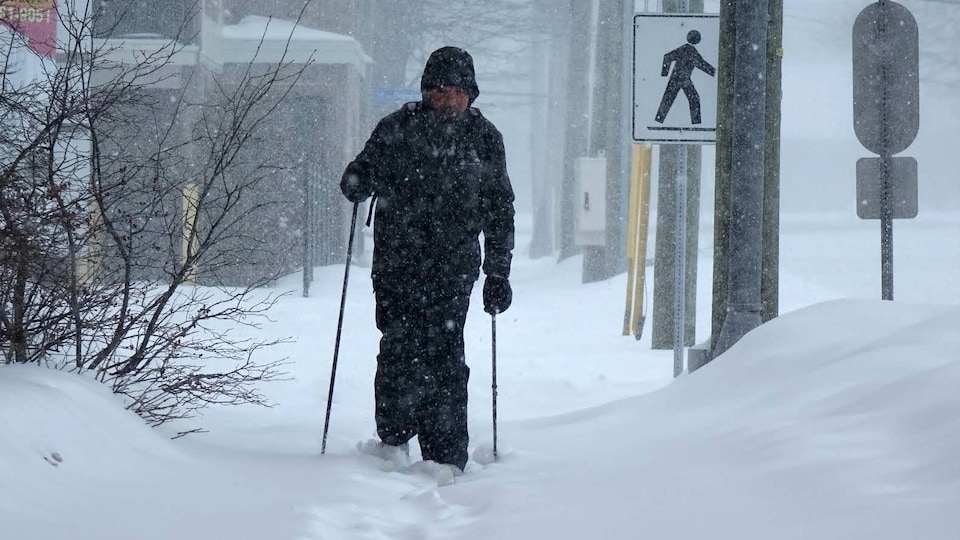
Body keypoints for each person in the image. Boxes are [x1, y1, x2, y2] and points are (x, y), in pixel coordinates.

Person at [340, 46, 515, 474]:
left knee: (445, 356)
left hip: (453, 269)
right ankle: (394, 440)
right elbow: (358, 176)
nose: (449, 99)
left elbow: (500, 208)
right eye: (440, 91)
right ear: (426, 92)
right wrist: (358, 179)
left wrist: (498, 273)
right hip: (397, 264)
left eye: (457, 91)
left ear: (471, 93)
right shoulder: (396, 128)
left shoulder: (485, 138)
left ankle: (446, 457)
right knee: (399, 347)